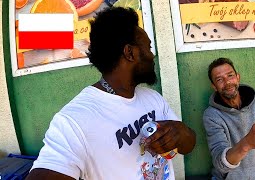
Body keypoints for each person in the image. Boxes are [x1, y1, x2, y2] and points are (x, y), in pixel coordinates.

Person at [26, 7, 196, 180]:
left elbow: (188, 145)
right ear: (130, 52)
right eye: (148, 47)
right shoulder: (74, 122)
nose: (152, 55)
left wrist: (181, 132)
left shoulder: (153, 98)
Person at [203, 58, 255, 180]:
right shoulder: (212, 115)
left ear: (238, 77)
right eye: (219, 80)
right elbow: (220, 164)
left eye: (230, 75)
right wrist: (248, 143)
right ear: (214, 86)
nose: (227, 82)